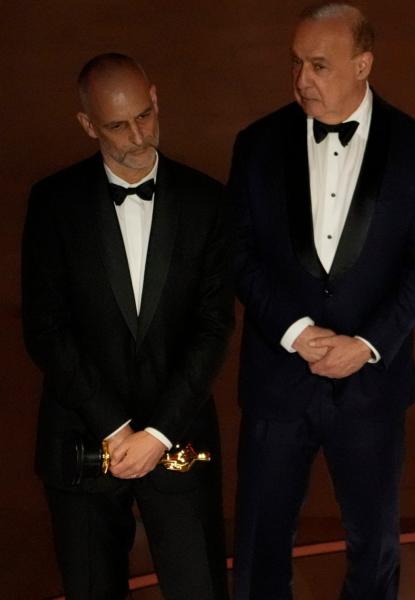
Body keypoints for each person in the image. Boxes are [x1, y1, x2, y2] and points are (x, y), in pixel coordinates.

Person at [228, 3, 415, 599]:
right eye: (297, 64)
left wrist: (368, 344)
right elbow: (238, 255)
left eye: (319, 65)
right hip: (278, 382)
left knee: (373, 547)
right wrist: (295, 331)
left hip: (370, 388)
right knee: (258, 545)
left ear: (363, 64)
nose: (302, 80)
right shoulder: (256, 145)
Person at [21, 53, 233, 599]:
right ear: (88, 124)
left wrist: (157, 434)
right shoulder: (52, 203)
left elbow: (213, 328)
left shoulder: (208, 201)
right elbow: (45, 329)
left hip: (179, 438)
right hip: (83, 441)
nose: (138, 136)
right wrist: (116, 432)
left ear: (156, 100)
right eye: (118, 125)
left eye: (145, 115)